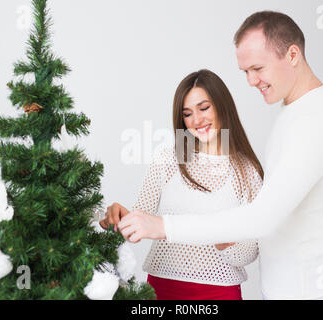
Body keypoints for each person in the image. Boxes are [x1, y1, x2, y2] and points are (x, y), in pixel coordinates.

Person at [113, 11, 323, 300]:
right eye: (245, 72)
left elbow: (262, 219)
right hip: (282, 289)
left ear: (292, 55)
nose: (251, 81)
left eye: (257, 68)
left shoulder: (314, 122)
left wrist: (165, 226)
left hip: (305, 292)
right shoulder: (294, 112)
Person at [101, 69, 264, 300]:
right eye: (187, 114)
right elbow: (142, 220)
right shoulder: (167, 159)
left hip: (218, 293)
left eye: (204, 108)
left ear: (222, 106)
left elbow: (250, 252)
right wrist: (120, 218)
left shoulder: (246, 172)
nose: (196, 120)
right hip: (164, 287)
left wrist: (221, 240)